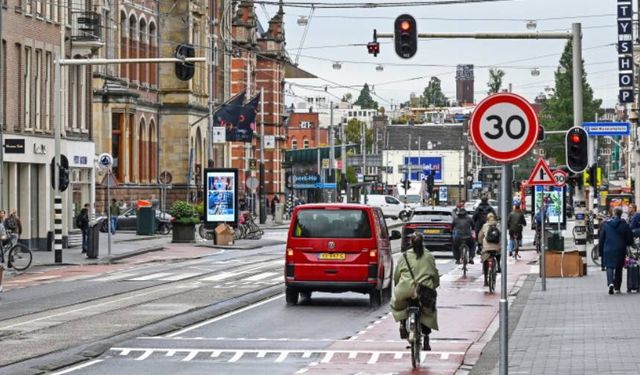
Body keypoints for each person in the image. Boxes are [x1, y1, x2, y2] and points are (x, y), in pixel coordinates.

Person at [390, 233, 440, 351]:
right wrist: (434, 286)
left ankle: (402, 323)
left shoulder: (404, 256)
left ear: (411, 243)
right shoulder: (429, 256)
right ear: (422, 242)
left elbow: (397, 275)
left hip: (405, 289)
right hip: (423, 290)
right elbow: (434, 274)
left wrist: (398, 285)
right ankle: (426, 338)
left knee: (399, 306)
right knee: (428, 311)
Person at [599, 208, 633, 295]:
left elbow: (601, 239)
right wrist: (628, 244)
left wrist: (600, 252)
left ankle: (610, 283)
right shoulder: (624, 225)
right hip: (620, 249)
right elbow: (629, 238)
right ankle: (617, 287)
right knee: (619, 268)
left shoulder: (606, 225)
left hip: (608, 249)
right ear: (621, 214)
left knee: (609, 267)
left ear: (613, 214)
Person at [479, 213, 501, 285]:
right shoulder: (498, 225)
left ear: (487, 219)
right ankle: (498, 265)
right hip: (497, 247)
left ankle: (485, 280)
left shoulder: (485, 226)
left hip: (487, 248)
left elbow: (480, 236)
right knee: (498, 252)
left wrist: (480, 244)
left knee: (485, 260)